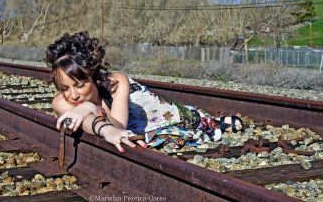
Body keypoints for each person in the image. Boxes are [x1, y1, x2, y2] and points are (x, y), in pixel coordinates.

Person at [45, 32, 243, 152]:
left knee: (181, 115)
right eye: (64, 88)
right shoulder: (60, 102)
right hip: (126, 123)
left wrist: (89, 108)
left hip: (139, 105)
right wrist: (96, 118)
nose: (73, 95)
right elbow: (106, 127)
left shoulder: (116, 81)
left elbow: (119, 124)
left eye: (79, 84)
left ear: (92, 74)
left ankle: (214, 121)